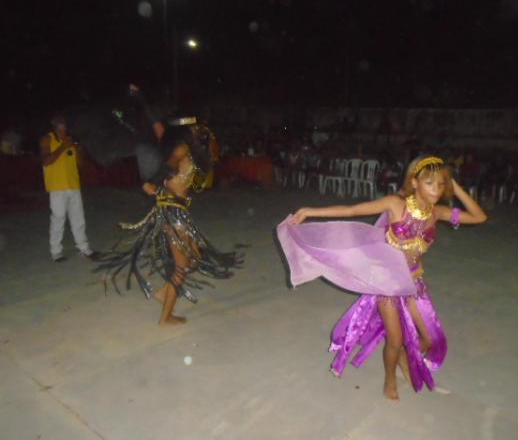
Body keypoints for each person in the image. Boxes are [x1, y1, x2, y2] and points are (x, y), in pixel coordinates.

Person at [277, 155, 487, 400]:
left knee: (430, 339)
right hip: (387, 283)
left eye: (441, 184)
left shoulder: (437, 212)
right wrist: (310, 211)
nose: (436, 190)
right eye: (430, 183)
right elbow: (352, 210)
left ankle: (402, 358)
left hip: (414, 282)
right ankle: (390, 377)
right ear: (415, 182)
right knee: (395, 339)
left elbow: (479, 216)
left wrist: (455, 185)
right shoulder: (396, 204)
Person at [96, 116, 242, 326]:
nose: (196, 131)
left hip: (178, 211)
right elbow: (170, 165)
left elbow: (157, 126)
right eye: (192, 129)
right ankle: (166, 317)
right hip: (173, 212)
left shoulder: (182, 147)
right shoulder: (181, 148)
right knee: (181, 267)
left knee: (195, 256)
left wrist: (140, 99)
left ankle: (165, 292)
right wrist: (152, 183)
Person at [40, 115, 96, 262]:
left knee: (78, 218)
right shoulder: (47, 139)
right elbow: (46, 161)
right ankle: (56, 251)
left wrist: (79, 151)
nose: (63, 128)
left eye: (64, 125)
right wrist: (63, 146)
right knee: (58, 218)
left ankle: (83, 248)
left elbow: (81, 166)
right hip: (57, 187)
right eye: (60, 125)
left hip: (73, 186)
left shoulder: (72, 141)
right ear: (54, 125)